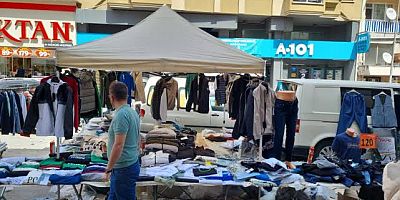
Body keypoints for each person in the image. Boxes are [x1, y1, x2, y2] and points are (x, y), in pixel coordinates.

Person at [104, 81, 140, 200]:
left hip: (123, 168)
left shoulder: (121, 115)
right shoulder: (132, 112)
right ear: (126, 96)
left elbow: (118, 145)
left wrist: (108, 168)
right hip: (126, 165)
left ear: (112, 97)